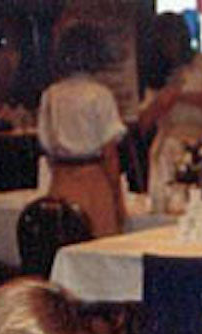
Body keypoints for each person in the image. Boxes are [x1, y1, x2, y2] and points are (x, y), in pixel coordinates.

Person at [37, 22, 128, 237]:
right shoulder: (99, 95)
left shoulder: (50, 95)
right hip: (93, 183)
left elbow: (47, 145)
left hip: (60, 182)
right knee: (99, 246)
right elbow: (109, 153)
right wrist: (117, 196)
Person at [138, 12, 202, 213]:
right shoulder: (158, 73)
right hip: (169, 142)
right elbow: (143, 122)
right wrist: (162, 101)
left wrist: (181, 96)